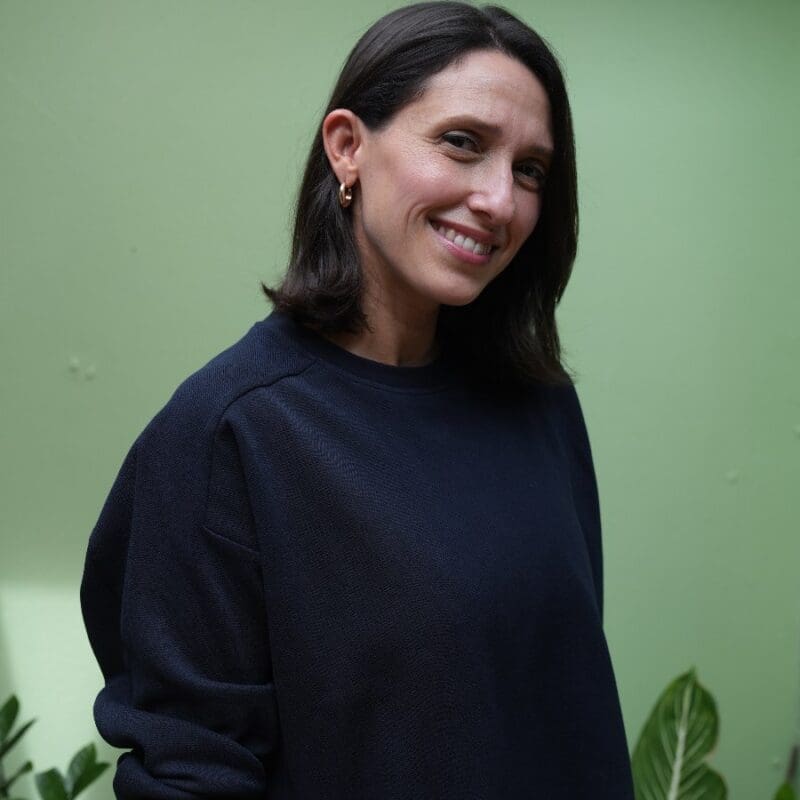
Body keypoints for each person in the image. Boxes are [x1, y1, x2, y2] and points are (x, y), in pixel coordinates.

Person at [81, 3, 635, 797]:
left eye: (530, 170)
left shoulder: (540, 405)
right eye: (462, 142)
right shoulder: (228, 433)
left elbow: (555, 706)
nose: (499, 200)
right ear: (347, 148)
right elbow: (194, 774)